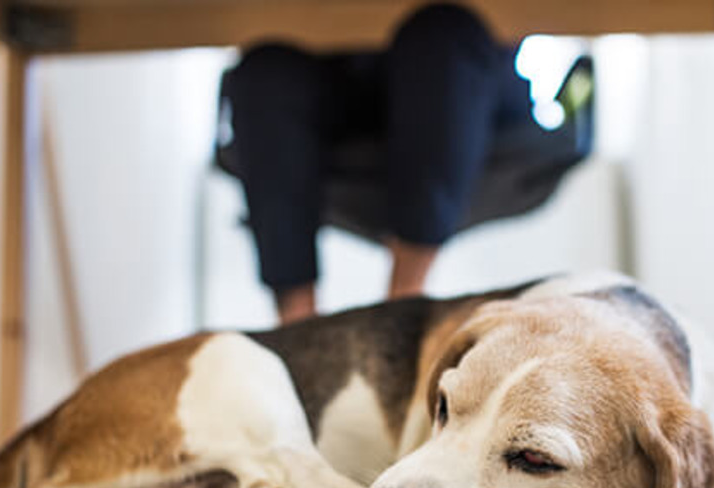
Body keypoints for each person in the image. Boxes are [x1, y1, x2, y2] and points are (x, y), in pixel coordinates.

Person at [222, 3, 534, 324]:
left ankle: (403, 310)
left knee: (442, 32)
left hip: (462, 82)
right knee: (265, 73)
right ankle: (299, 327)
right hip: (330, 80)